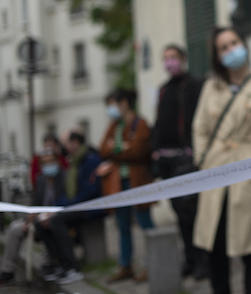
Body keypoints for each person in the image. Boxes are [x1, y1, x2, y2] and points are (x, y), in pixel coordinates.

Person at [192, 26, 251, 294]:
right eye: (223, 47)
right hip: (215, 172)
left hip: (250, 172)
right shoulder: (211, 88)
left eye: (234, 43)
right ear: (217, 56)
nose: (231, 50)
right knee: (215, 247)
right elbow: (199, 128)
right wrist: (202, 159)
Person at [151, 44, 207, 279]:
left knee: (193, 212)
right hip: (168, 162)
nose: (169, 62)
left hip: (187, 160)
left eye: (173, 57)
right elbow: (159, 121)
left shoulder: (194, 84)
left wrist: (193, 150)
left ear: (183, 59)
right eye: (166, 58)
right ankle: (190, 258)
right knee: (179, 213)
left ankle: (203, 260)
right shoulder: (164, 89)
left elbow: (198, 120)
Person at [99, 88, 155, 283]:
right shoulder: (115, 125)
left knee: (145, 223)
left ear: (124, 103)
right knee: (122, 225)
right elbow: (102, 148)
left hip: (137, 181)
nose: (110, 109)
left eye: (112, 104)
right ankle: (126, 265)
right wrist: (121, 147)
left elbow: (138, 151)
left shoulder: (140, 124)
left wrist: (117, 149)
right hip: (118, 183)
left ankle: (153, 265)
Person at [35, 128, 103, 285]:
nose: (63, 147)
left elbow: (88, 192)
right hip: (77, 205)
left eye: (66, 143)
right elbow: (71, 194)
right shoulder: (75, 161)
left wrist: (59, 209)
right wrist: (53, 209)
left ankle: (73, 266)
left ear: (75, 143)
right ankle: (62, 263)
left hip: (90, 207)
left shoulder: (90, 160)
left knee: (56, 221)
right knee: (40, 223)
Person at [0, 149, 64, 285]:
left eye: (51, 162)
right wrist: (29, 218)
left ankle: (48, 265)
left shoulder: (64, 178)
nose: (48, 166)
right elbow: (36, 203)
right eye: (45, 163)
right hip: (39, 218)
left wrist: (49, 215)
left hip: (56, 218)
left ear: (57, 162)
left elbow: (65, 201)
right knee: (14, 228)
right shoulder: (40, 179)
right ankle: (7, 270)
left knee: (47, 226)